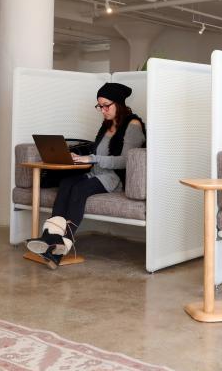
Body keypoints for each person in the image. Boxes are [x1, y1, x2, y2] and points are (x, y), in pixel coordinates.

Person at [26, 82, 145, 269]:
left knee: (79, 189)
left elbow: (125, 160)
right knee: (66, 183)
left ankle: (62, 246)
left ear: (119, 103)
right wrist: (78, 156)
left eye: (107, 105)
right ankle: (49, 239)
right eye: (100, 106)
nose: (103, 110)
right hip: (95, 172)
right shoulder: (106, 125)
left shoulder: (133, 125)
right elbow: (97, 150)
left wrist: (92, 158)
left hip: (114, 178)